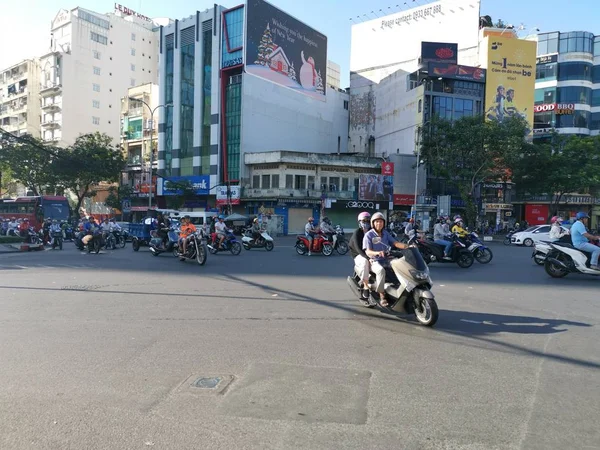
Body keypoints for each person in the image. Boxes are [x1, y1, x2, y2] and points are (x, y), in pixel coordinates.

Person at [363, 212, 408, 307]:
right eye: (377, 222)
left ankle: (401, 288)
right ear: (373, 223)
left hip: (386, 258)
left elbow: (395, 243)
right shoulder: (369, 235)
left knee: (401, 264)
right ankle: (382, 294)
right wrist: (377, 253)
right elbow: (368, 252)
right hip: (374, 261)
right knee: (380, 271)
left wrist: (408, 246)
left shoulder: (385, 233)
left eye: (381, 222)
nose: (379, 224)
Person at [348, 212, 372, 299]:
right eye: (363, 221)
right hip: (358, 254)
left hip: (371, 253)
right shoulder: (357, 233)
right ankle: (365, 286)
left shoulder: (372, 232)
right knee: (365, 262)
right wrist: (368, 258)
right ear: (359, 222)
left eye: (368, 221)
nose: (366, 223)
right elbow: (358, 249)